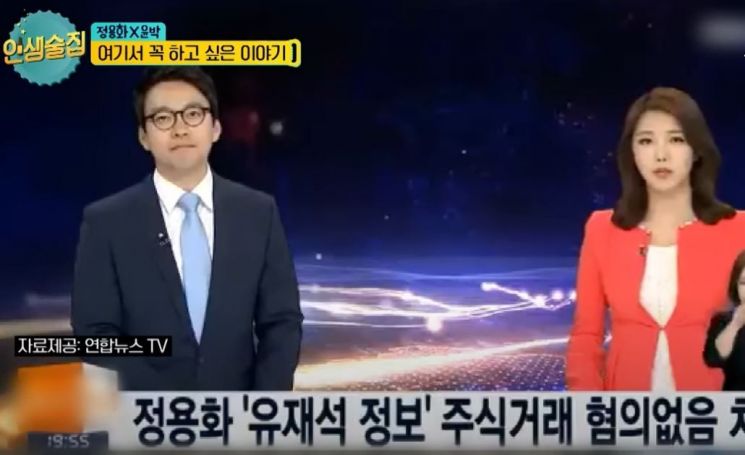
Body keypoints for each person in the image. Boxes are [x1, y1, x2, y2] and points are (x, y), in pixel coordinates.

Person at [71, 66, 303, 390]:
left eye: (193, 114)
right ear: (143, 137)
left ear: (216, 128)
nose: (180, 129)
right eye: (163, 118)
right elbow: (94, 333)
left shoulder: (258, 213)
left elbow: (281, 322)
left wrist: (260, 406)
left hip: (239, 414)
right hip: (144, 414)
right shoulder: (106, 221)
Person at [565, 87, 745, 390]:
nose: (661, 155)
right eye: (646, 141)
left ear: (696, 150)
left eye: (676, 140)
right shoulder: (602, 229)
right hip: (627, 412)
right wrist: (586, 408)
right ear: (632, 153)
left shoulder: (738, 229)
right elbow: (586, 336)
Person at [703, 250, 745, 390]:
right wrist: (735, 325)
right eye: (743, 283)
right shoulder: (723, 321)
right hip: (735, 399)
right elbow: (713, 359)